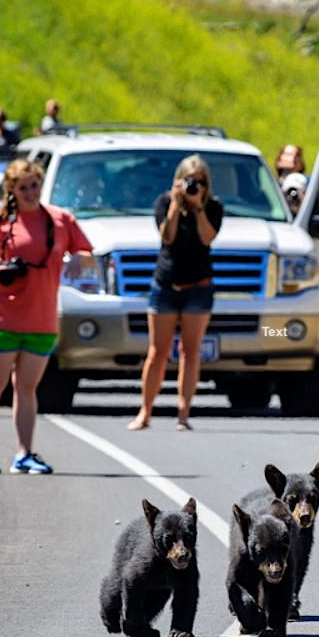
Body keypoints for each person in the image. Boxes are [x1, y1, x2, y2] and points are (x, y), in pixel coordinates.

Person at [0, 159, 93, 475]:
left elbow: (89, 255)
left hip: (41, 318)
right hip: (1, 314)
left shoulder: (61, 219)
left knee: (26, 388)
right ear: (12, 190)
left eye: (34, 185)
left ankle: (24, 454)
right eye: (22, 187)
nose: (29, 192)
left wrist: (79, 258)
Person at [129, 155, 223, 431]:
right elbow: (167, 236)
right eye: (190, 181)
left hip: (199, 287)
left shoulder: (213, 207)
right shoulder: (164, 202)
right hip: (166, 286)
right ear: (179, 181)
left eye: (201, 182)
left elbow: (208, 238)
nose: (196, 186)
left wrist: (197, 208)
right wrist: (175, 204)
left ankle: (183, 414)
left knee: (190, 351)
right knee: (157, 352)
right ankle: (145, 413)